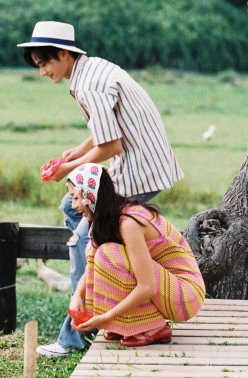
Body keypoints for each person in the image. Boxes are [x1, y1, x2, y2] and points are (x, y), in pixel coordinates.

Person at [18, 20, 184, 357]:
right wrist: (78, 152)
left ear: (63, 54)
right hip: (144, 163)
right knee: (71, 206)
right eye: (38, 65)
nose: (42, 72)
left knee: (82, 242)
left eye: (45, 63)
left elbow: (111, 146)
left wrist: (66, 169)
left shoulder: (88, 86)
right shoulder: (92, 70)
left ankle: (73, 337)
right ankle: (110, 286)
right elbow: (107, 127)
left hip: (139, 171)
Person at [65, 163, 204, 347]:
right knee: (97, 251)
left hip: (185, 296)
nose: (73, 206)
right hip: (166, 286)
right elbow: (91, 262)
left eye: (75, 198)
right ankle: (125, 324)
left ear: (90, 196)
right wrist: (76, 298)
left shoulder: (129, 223)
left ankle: (154, 328)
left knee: (108, 254)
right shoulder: (109, 217)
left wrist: (104, 317)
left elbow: (147, 286)